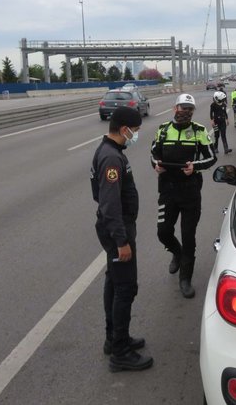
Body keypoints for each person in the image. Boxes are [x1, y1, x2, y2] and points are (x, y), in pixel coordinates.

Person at [90, 106, 153, 372]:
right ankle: (120, 352)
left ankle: (114, 337)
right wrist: (121, 241)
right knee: (125, 288)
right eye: (135, 130)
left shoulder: (110, 152)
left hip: (117, 228)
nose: (136, 135)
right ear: (124, 129)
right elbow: (110, 204)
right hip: (118, 230)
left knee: (114, 283)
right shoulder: (112, 159)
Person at [151, 93, 217, 298]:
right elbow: (153, 153)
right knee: (163, 232)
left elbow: (212, 157)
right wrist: (155, 165)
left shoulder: (199, 131)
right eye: (182, 108)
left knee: (189, 237)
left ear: (193, 111)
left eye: (189, 109)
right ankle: (177, 253)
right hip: (167, 191)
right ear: (174, 109)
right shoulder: (163, 130)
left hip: (190, 192)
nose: (185, 112)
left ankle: (185, 278)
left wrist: (194, 167)